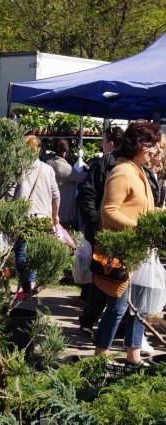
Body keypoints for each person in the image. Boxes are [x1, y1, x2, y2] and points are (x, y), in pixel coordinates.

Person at [94, 121, 160, 367]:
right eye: (150, 145)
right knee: (118, 307)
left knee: (139, 307)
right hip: (123, 252)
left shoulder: (139, 170)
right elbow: (108, 212)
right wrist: (140, 228)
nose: (154, 150)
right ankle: (100, 357)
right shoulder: (123, 172)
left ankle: (133, 355)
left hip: (139, 251)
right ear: (137, 144)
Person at [11, 135, 60, 300]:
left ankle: (27, 287)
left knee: (22, 253)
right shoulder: (48, 169)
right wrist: (55, 215)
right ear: (39, 149)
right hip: (44, 218)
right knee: (36, 251)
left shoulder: (19, 168)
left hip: (24, 217)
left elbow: (10, 194)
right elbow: (56, 195)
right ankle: (32, 282)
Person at [45, 139, 86, 229]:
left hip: (49, 207)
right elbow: (82, 177)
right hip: (63, 211)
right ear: (65, 152)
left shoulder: (48, 163)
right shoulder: (65, 168)